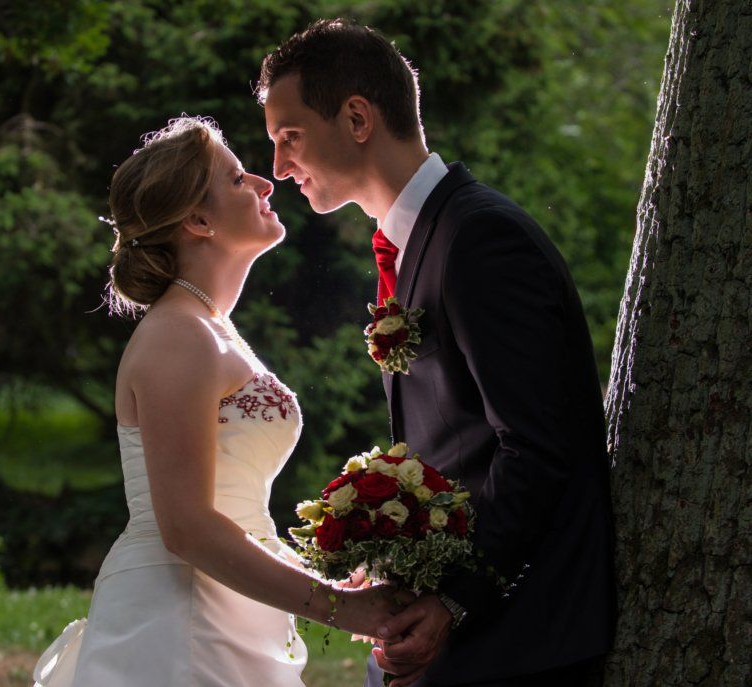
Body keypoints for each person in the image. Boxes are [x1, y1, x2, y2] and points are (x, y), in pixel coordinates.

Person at [257, 19, 617, 687]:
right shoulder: (418, 239)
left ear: (357, 117)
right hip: (455, 635)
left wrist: (454, 599)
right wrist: (398, 557)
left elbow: (537, 449)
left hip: (517, 642)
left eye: (290, 136)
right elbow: (455, 444)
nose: (279, 167)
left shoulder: (481, 241)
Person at [31, 116, 401, 687]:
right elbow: (188, 527)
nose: (263, 183)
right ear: (198, 221)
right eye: (236, 179)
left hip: (228, 607)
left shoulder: (208, 327)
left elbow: (232, 515)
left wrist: (325, 576)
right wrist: (340, 607)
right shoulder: (177, 334)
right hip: (179, 620)